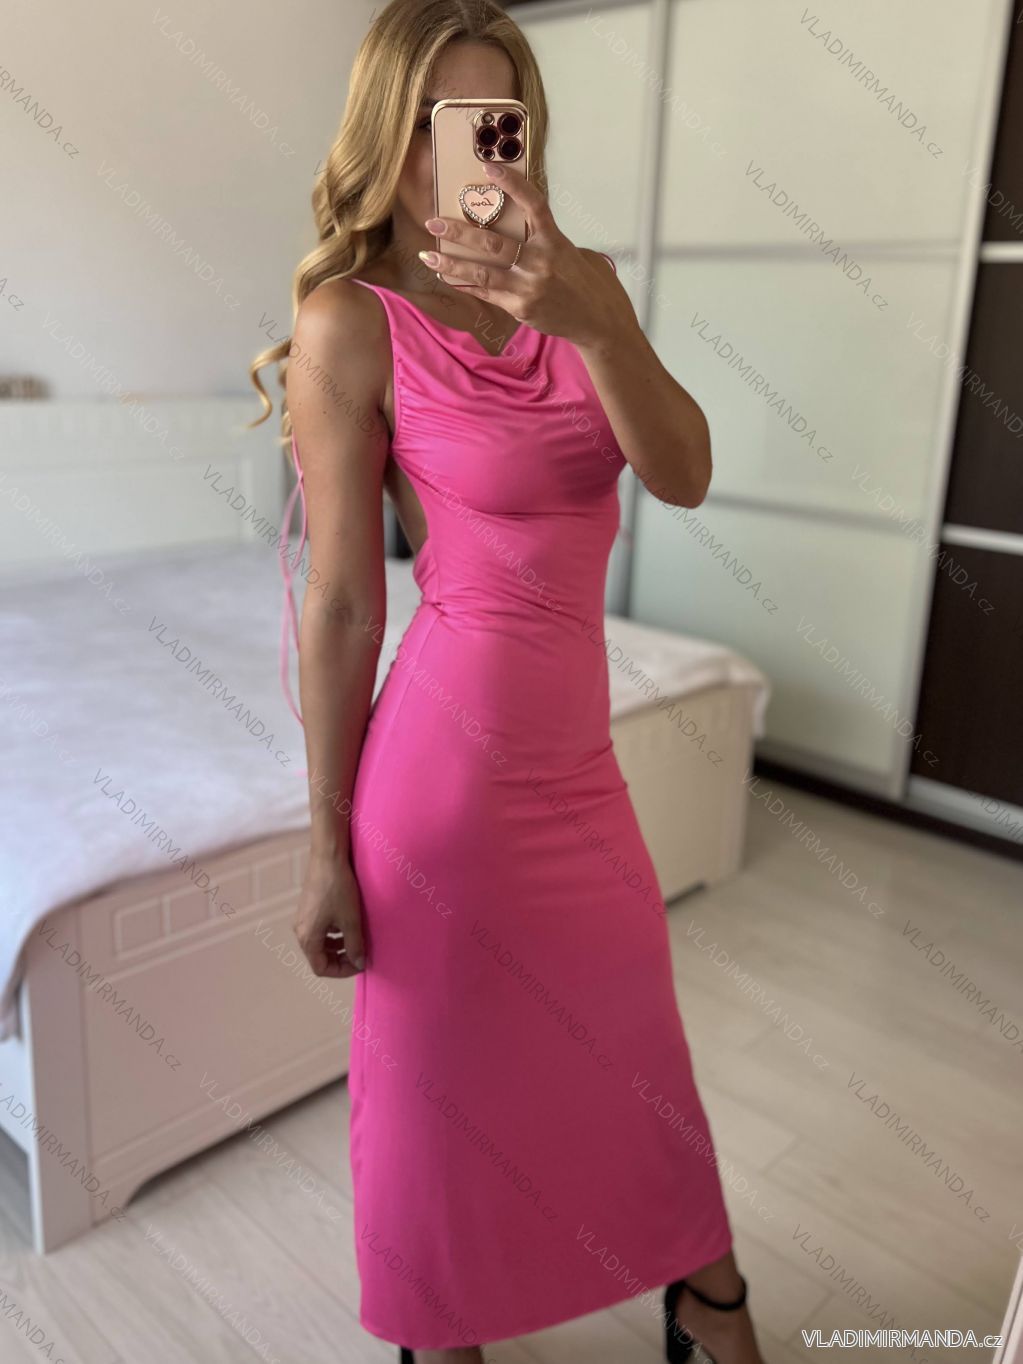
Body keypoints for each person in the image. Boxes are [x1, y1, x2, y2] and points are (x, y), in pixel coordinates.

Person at [249, 3, 765, 1362]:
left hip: (579, 776)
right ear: (393, 134)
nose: (474, 157)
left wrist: (599, 324)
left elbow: (685, 473)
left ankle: (706, 1300)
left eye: (501, 123)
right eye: (445, 124)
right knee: (438, 1110)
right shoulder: (350, 321)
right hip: (443, 789)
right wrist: (323, 847)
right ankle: (445, 1335)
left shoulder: (579, 287)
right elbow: (344, 603)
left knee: (637, 1065)